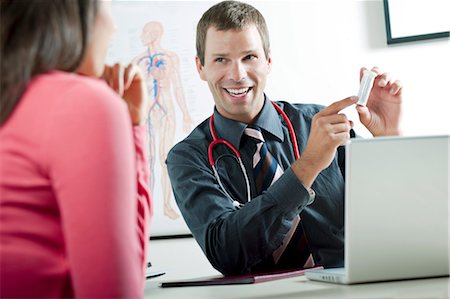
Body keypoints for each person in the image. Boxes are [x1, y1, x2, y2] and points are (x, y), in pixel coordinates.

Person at [166, 0, 402, 276]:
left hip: (347, 287)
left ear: (268, 61)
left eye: (249, 57)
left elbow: (394, 216)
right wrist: (309, 165)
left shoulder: (322, 126)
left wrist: (389, 141)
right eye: (221, 59)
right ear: (201, 67)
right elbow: (227, 253)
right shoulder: (188, 158)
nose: (237, 74)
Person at [0, 0, 152, 297]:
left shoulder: (11, 100)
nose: (114, 25)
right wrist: (133, 126)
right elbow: (116, 292)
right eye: (108, 6)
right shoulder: (82, 103)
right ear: (77, 13)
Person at [133, 21, 193, 220]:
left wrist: (185, 113)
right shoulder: (138, 61)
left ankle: (166, 205)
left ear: (154, 33)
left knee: (165, 159)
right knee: (148, 159)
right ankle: (147, 206)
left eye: (145, 31)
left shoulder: (171, 58)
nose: (142, 35)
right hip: (147, 112)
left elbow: (177, 87)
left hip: (167, 110)